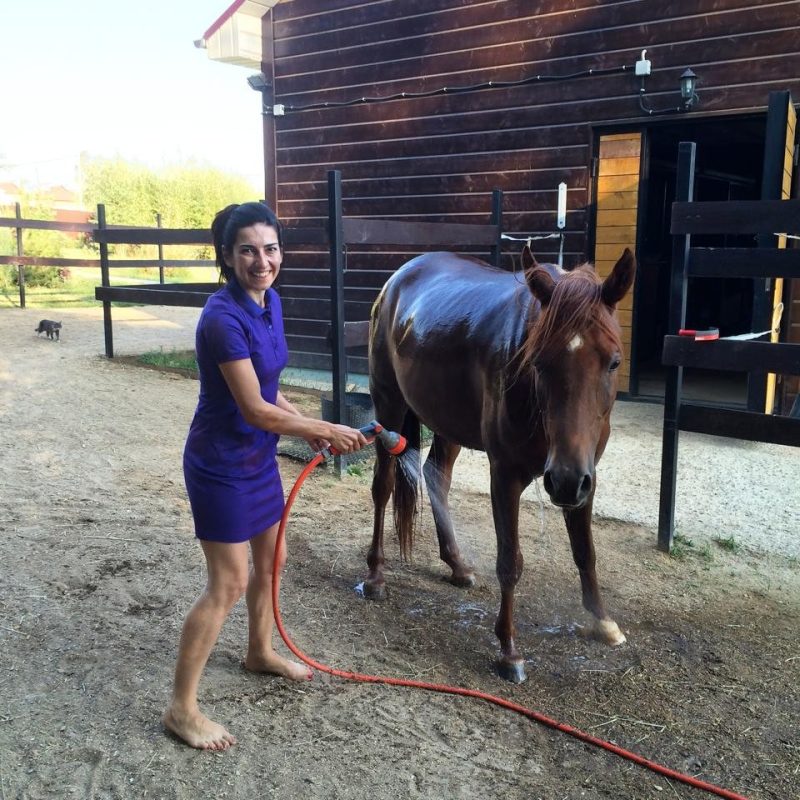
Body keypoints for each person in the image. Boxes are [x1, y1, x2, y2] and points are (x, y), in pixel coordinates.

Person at [163, 202, 367, 751]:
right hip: (220, 465)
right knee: (227, 582)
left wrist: (302, 424)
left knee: (272, 559)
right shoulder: (222, 318)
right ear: (227, 257)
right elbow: (252, 407)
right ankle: (181, 709)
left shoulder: (269, 302)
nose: (262, 260)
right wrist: (321, 425)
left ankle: (259, 650)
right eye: (248, 250)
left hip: (258, 461)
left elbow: (267, 389)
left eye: (270, 248)